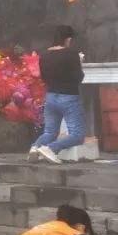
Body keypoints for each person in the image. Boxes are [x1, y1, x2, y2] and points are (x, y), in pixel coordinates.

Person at [31, 25, 85, 164]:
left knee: (50, 132)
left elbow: (43, 77)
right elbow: (78, 77)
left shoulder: (44, 55)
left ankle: (35, 148)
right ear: (68, 39)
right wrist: (80, 63)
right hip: (68, 98)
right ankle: (51, 149)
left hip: (50, 97)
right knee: (77, 135)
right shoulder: (71, 54)